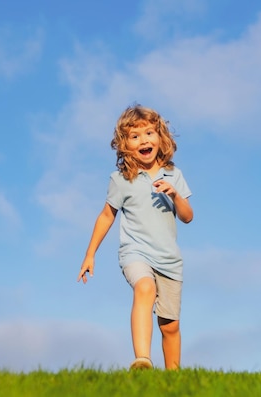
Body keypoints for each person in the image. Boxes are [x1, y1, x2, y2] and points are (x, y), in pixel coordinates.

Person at [77, 104, 193, 370]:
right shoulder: (121, 179)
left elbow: (187, 216)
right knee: (144, 288)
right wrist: (90, 254)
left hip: (169, 259)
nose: (144, 140)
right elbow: (107, 216)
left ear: (160, 137)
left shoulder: (174, 175)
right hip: (135, 252)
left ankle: (173, 378)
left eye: (149, 133)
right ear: (124, 145)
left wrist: (174, 194)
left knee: (170, 327)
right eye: (135, 136)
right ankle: (143, 360)